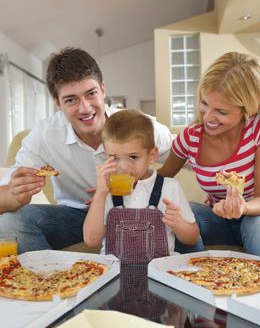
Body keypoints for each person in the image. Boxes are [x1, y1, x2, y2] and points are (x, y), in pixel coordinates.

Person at [0, 47, 177, 253]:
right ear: (57, 103)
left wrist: (147, 184)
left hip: (139, 210)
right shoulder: (45, 135)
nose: (85, 108)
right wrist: (15, 193)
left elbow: (186, 153)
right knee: (12, 223)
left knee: (188, 214)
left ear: (103, 89)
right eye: (71, 100)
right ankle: (53, 284)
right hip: (76, 217)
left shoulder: (137, 126)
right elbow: (0, 202)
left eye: (91, 94)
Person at [157, 51, 260, 260]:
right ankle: (196, 278)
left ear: (246, 109)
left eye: (221, 111)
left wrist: (243, 208)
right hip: (218, 220)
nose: (208, 117)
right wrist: (119, 186)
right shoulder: (190, 138)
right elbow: (160, 178)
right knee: (185, 211)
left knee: (257, 224)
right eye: (204, 103)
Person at [83, 109, 200, 261]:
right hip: (115, 272)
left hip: (158, 273)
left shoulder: (170, 187)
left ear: (152, 156)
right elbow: (91, 241)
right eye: (115, 157)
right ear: (106, 156)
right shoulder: (106, 191)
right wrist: (100, 194)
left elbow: (192, 238)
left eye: (133, 157)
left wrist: (179, 224)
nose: (124, 166)